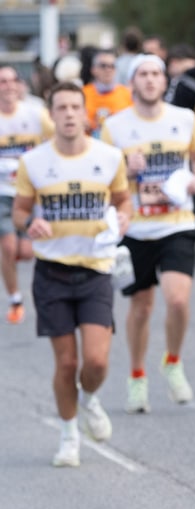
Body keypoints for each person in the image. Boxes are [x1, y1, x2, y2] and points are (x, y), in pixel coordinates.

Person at [12, 82, 132, 467]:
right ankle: (69, 437)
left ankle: (89, 398)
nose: (68, 114)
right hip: (52, 272)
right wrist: (29, 223)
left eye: (74, 107)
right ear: (51, 115)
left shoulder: (108, 157)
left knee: (96, 362)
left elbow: (123, 200)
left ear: (85, 113)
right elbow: (19, 211)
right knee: (66, 364)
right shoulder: (34, 162)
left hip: (95, 270)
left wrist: (124, 218)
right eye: (61, 108)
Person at [101, 54, 195, 414]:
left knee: (177, 300)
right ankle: (137, 376)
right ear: (132, 82)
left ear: (165, 82)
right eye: (143, 74)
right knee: (141, 307)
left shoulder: (184, 119)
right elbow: (101, 175)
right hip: (135, 228)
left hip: (177, 223)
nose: (150, 80)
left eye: (156, 74)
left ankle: (173, 361)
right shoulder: (115, 126)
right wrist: (125, 168)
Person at [0, 65, 55, 324]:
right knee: (8, 246)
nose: (8, 86)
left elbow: (56, 139)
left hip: (31, 193)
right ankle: (15, 298)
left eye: (13, 80)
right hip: (3, 192)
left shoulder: (35, 113)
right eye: (2, 81)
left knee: (26, 250)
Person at [82, 50, 133, 135]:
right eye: (103, 66)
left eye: (112, 66)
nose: (108, 69)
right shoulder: (82, 94)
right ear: (93, 69)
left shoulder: (127, 94)